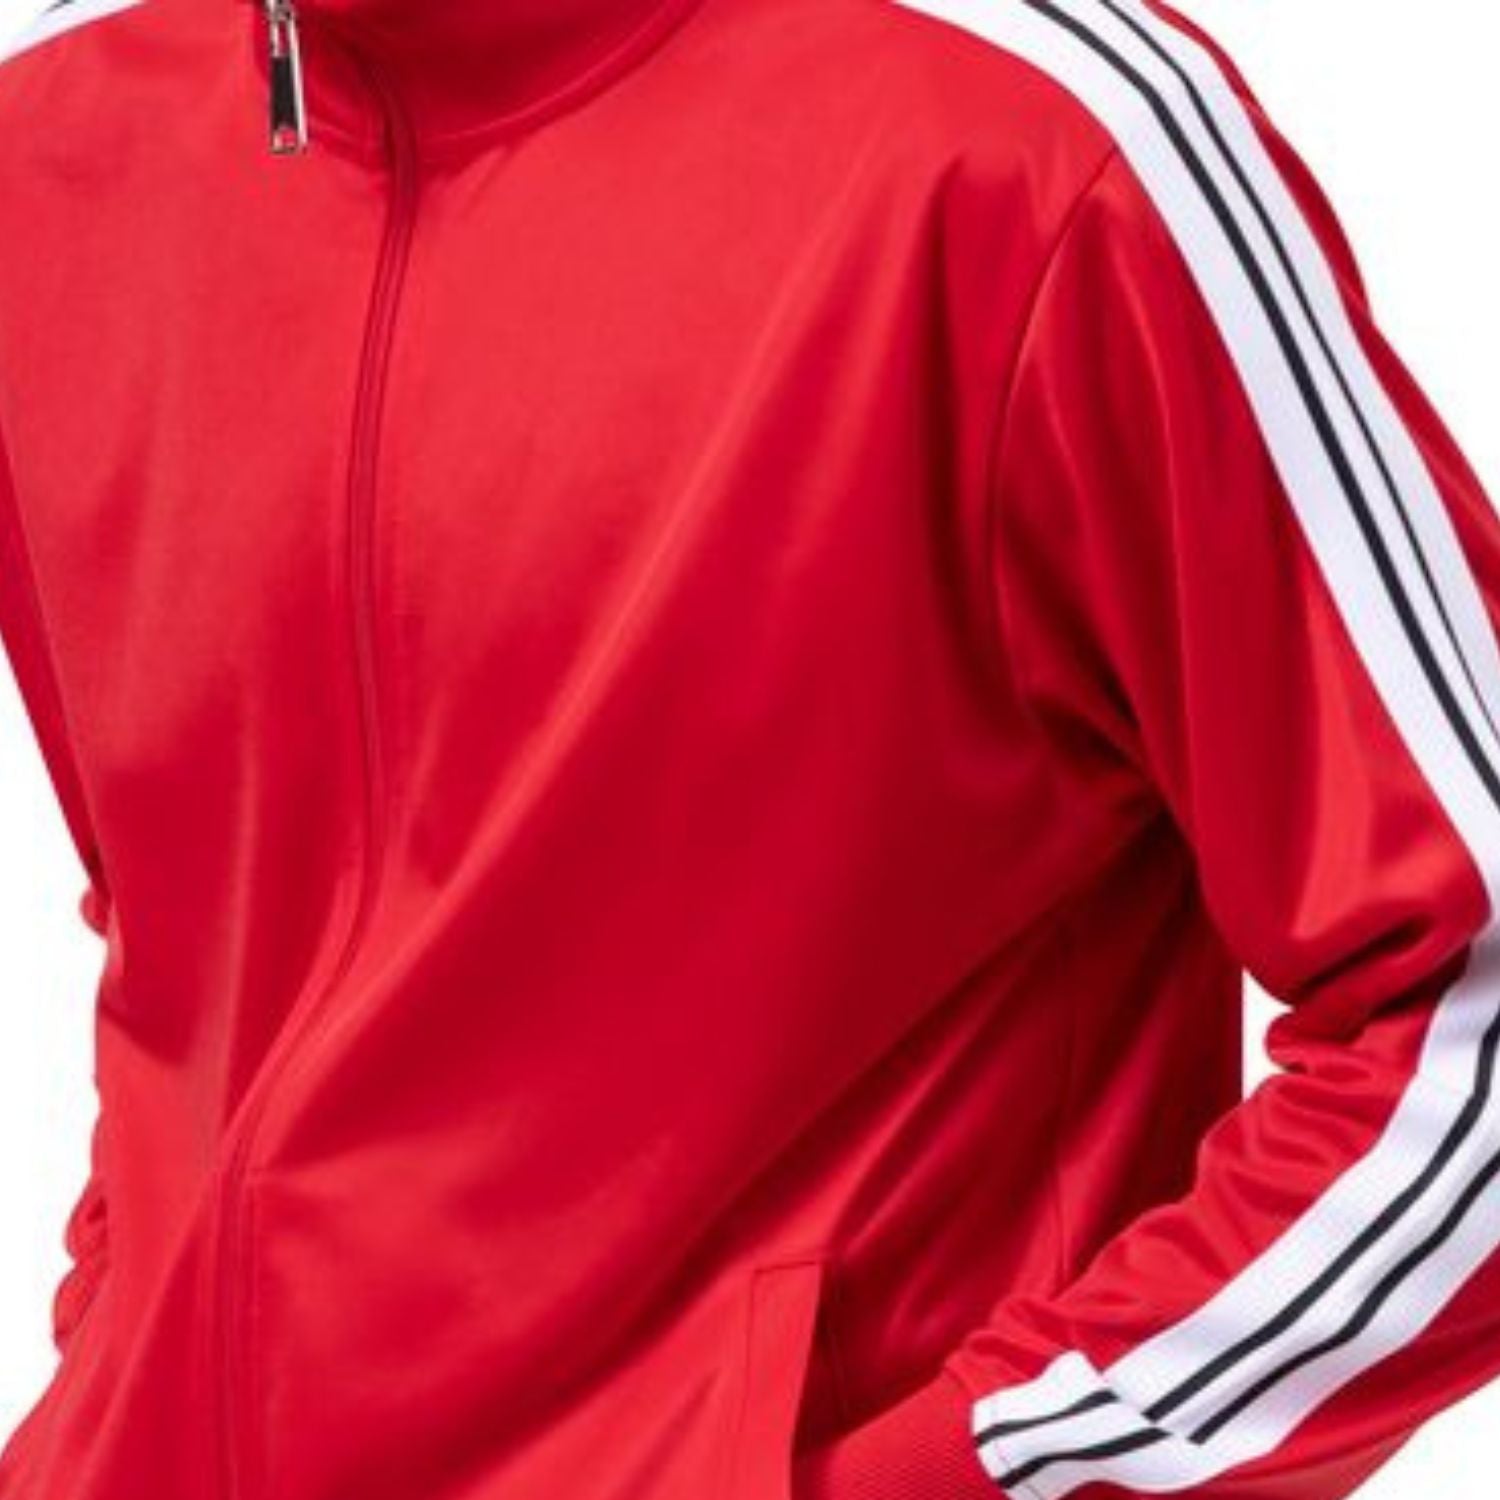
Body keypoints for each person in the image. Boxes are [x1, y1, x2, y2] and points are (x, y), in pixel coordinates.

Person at [1, 0, 1498, 1497]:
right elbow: (195, 938)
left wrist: (948, 1474)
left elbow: (1470, 1008)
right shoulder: (54, 139)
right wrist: (126, 1371)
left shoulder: (1029, 146)